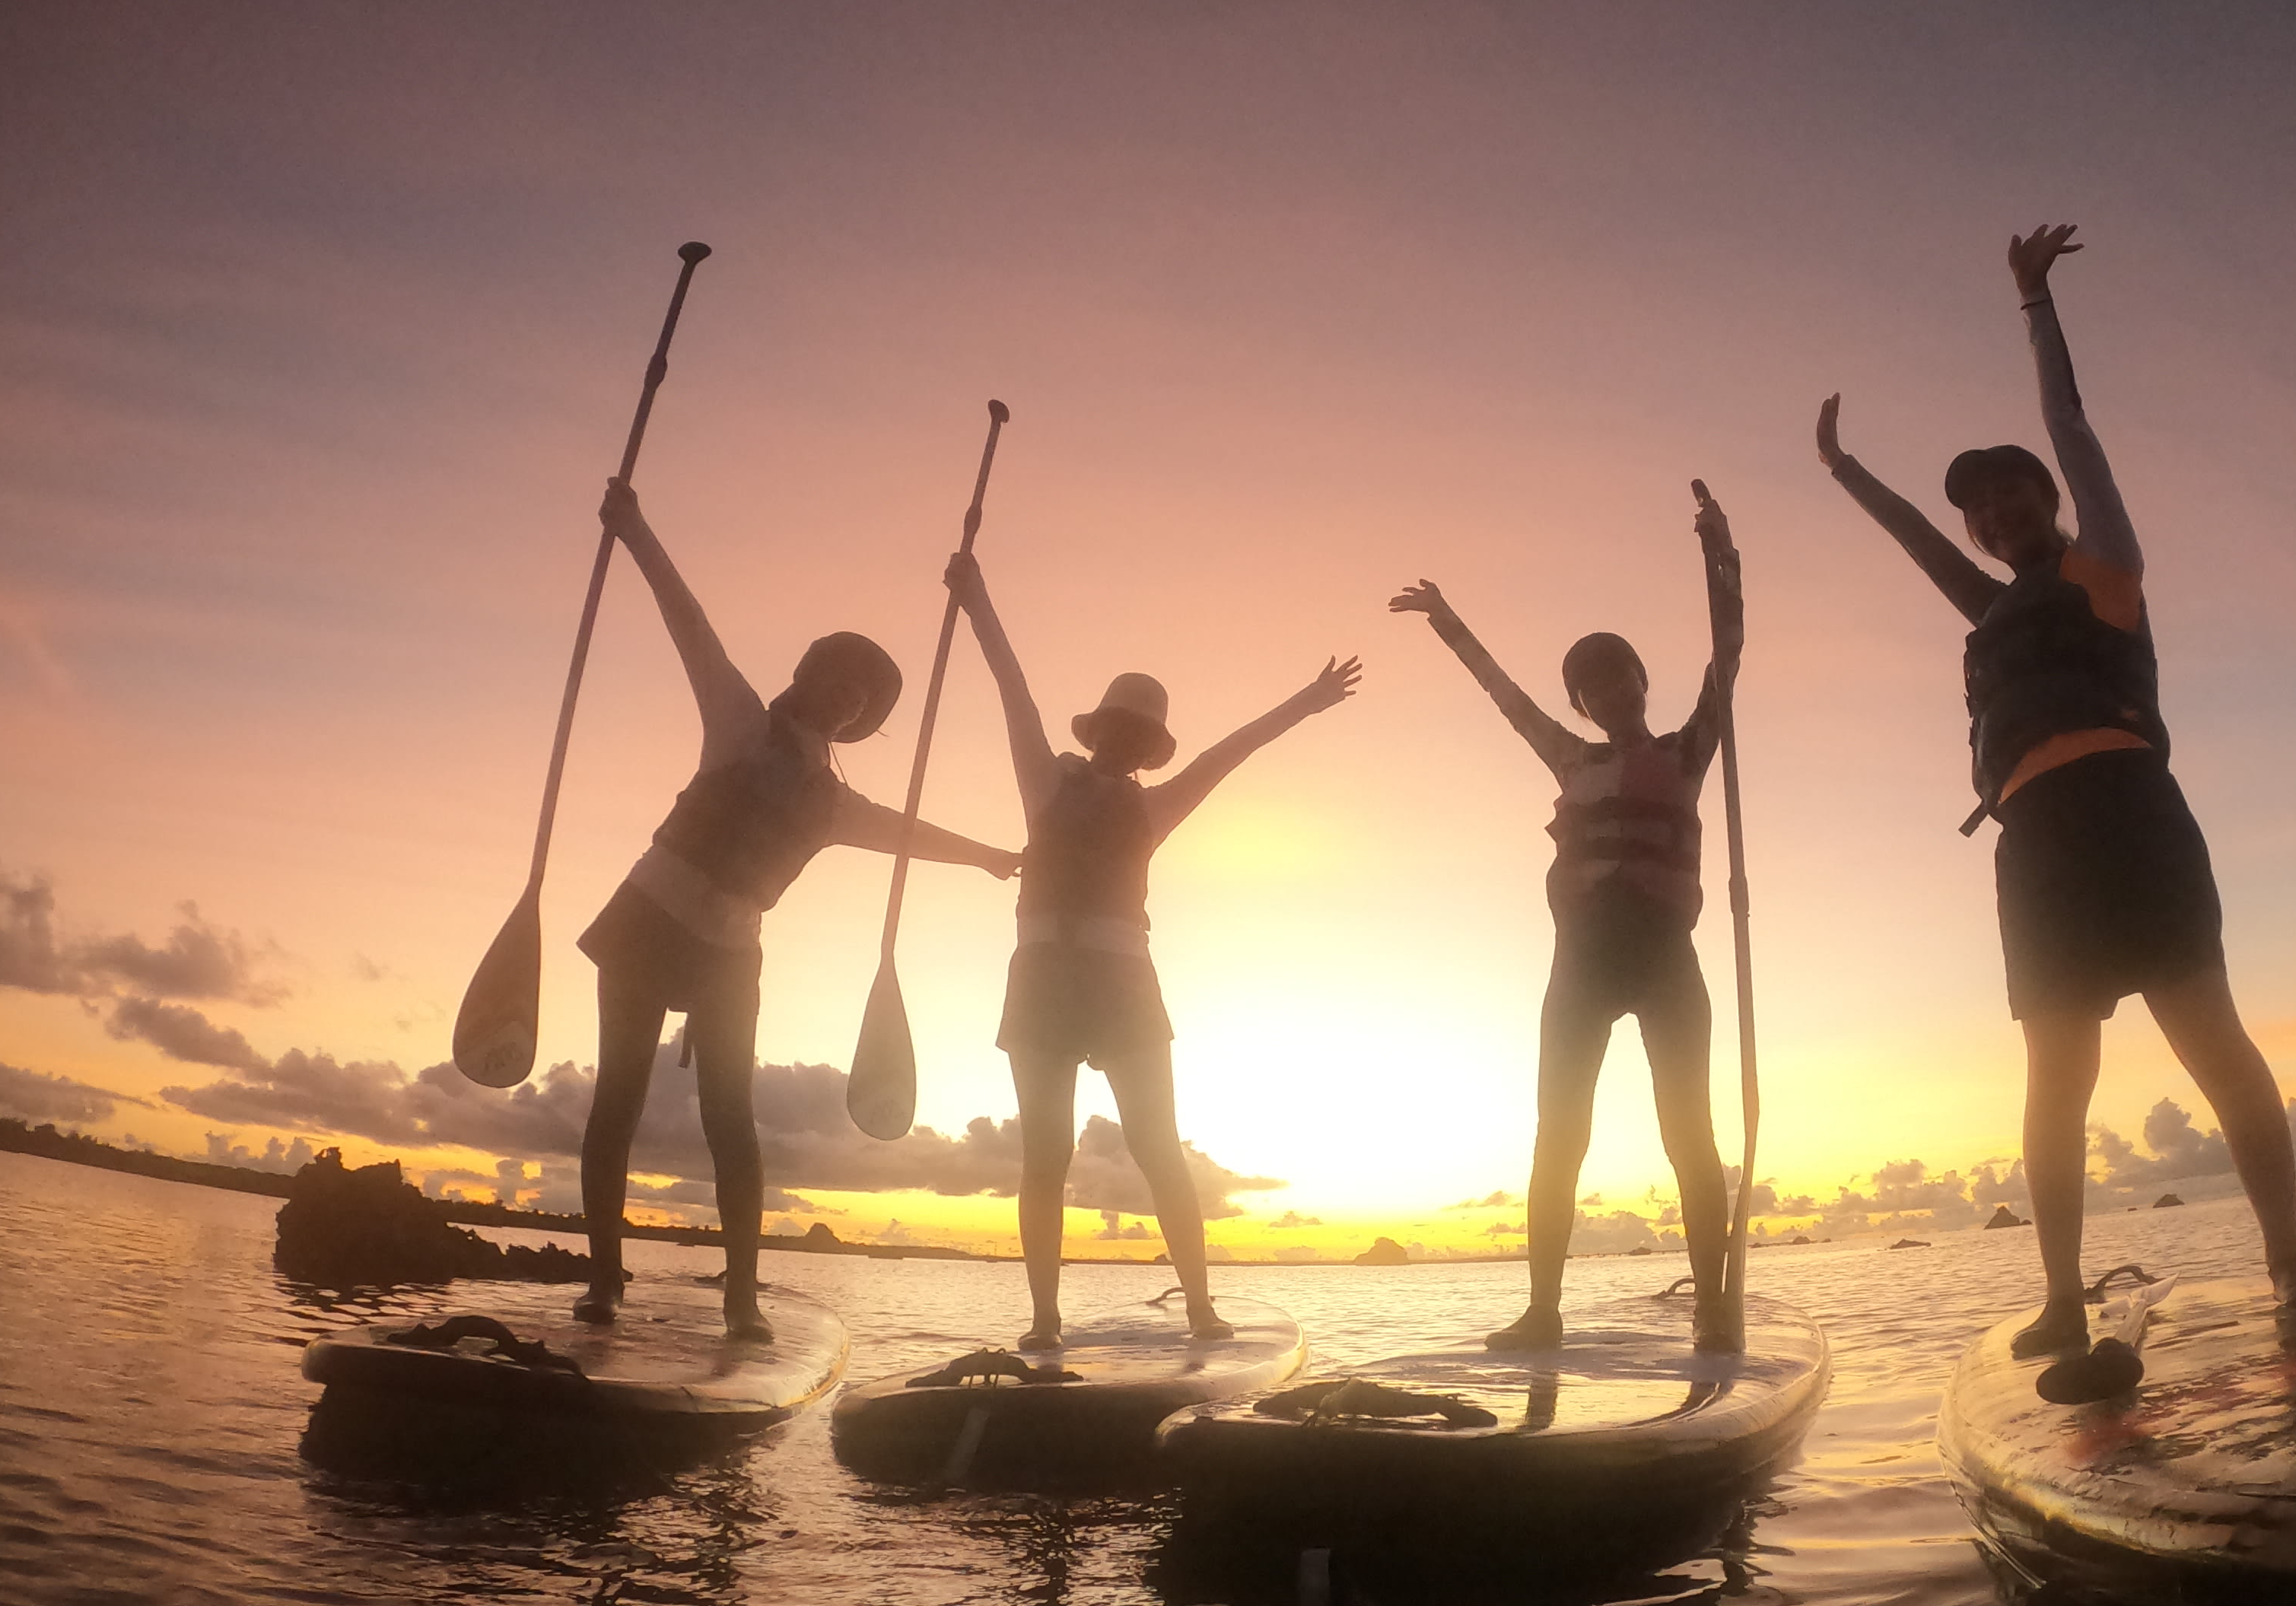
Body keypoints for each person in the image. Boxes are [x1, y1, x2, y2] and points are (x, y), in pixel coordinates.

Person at [1817, 225, 2296, 1358]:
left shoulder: (2105, 564)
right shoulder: (1988, 606)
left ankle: (2289, 1259)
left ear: (2045, 502)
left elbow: (2072, 427)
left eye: (2010, 498)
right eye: (1980, 511)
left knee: (2215, 1045)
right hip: (2037, 846)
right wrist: (1846, 473)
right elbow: (1917, 539)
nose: (1994, 517)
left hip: (2135, 824)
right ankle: (2060, 1298)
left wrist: (2033, 305)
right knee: (2057, 1079)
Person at [574, 479, 1019, 1340]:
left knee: (730, 1122)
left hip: (729, 954)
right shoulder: (740, 721)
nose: (852, 697)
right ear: (811, 679)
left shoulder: (835, 802)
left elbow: (909, 833)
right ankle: (602, 1280)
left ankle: (743, 1299)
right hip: (648, 919)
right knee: (617, 1102)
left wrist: (990, 858)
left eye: (865, 697)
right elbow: (688, 623)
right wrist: (632, 528)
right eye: (842, 681)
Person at [945, 546, 1361, 1348]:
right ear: (1099, 731)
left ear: (1145, 749)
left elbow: (1226, 755)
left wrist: (1306, 702)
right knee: (1044, 1156)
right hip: (1041, 982)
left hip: (1126, 985)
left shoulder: (1157, 806)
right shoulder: (1046, 781)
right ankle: (1042, 1321)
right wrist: (976, 600)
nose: (1124, 744)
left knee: (1156, 1147)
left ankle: (1203, 1308)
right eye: (1117, 730)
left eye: (1138, 736)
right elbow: (1013, 690)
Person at [1388, 493, 1745, 1356]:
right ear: (1583, 705)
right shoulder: (1567, 755)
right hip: (1581, 963)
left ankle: (1712, 1307)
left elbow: (1727, 655)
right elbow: (1499, 691)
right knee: (1560, 1135)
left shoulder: (1686, 750)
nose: (1607, 692)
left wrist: (1719, 554)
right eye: (1591, 687)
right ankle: (1542, 1311)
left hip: (1664, 958)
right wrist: (1447, 621)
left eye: (1617, 676)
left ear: (1638, 683)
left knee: (1687, 1134)